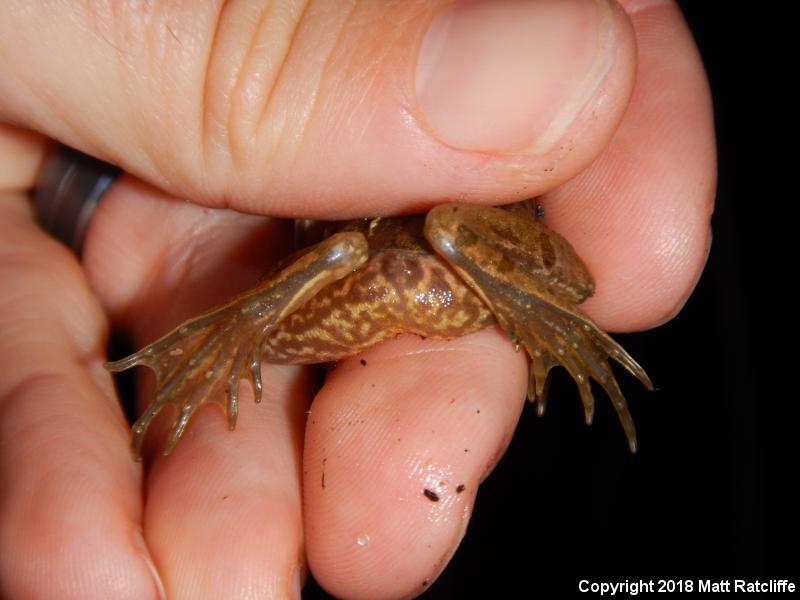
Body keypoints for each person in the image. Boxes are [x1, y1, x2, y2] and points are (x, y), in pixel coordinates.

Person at [0, 1, 715, 598]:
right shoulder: (301, 310)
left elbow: (358, 247)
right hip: (406, 260)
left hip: (460, 235)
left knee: (426, 237)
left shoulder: (328, 282)